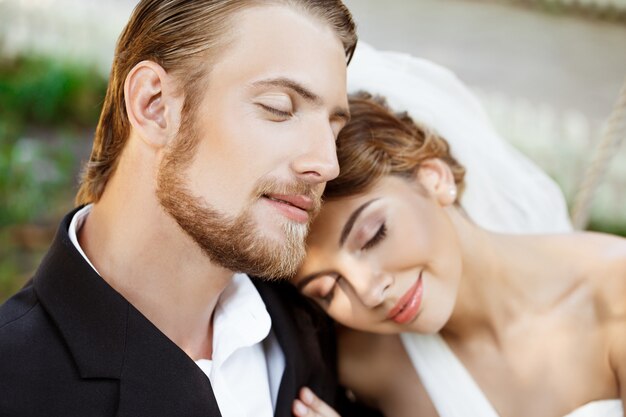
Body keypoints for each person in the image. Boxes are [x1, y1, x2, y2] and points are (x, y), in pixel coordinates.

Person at [0, 1, 357, 416]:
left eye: (334, 128)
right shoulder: (15, 384)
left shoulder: (321, 324)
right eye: (279, 108)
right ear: (154, 105)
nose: (327, 164)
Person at [292, 91, 626, 417]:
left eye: (374, 235)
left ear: (434, 179)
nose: (368, 291)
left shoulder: (615, 295)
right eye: (328, 289)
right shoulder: (369, 367)